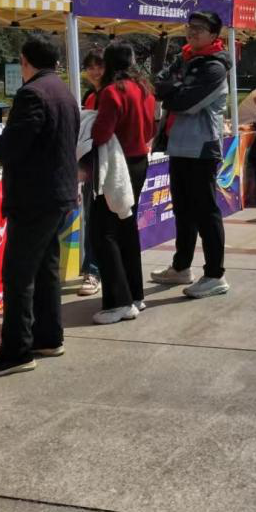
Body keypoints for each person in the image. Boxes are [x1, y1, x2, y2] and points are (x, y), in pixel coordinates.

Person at [0, 36, 80, 377]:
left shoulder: (32, 93)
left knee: (18, 275)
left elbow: (15, 143)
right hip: (58, 194)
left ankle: (16, 351)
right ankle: (48, 337)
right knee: (45, 268)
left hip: (34, 197)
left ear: (25, 61)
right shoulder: (64, 91)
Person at [150, 10, 233, 299]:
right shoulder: (184, 57)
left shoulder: (215, 67)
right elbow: (159, 84)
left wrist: (173, 90)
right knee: (183, 210)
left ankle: (215, 274)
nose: (192, 31)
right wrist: (174, 88)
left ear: (214, 35)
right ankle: (181, 266)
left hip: (201, 148)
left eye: (200, 28)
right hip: (178, 145)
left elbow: (186, 102)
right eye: (190, 26)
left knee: (206, 211)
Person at [84, 42, 156, 324]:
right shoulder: (144, 89)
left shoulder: (112, 92)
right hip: (139, 162)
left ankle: (118, 302)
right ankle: (135, 294)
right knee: (127, 228)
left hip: (115, 166)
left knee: (104, 232)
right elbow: (151, 129)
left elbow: (102, 133)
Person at [76, 48, 106, 297]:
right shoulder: (90, 96)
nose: (95, 71)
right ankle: (93, 269)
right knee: (92, 219)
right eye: (90, 67)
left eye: (99, 66)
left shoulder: (111, 93)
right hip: (91, 167)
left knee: (101, 221)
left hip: (109, 166)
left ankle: (96, 270)